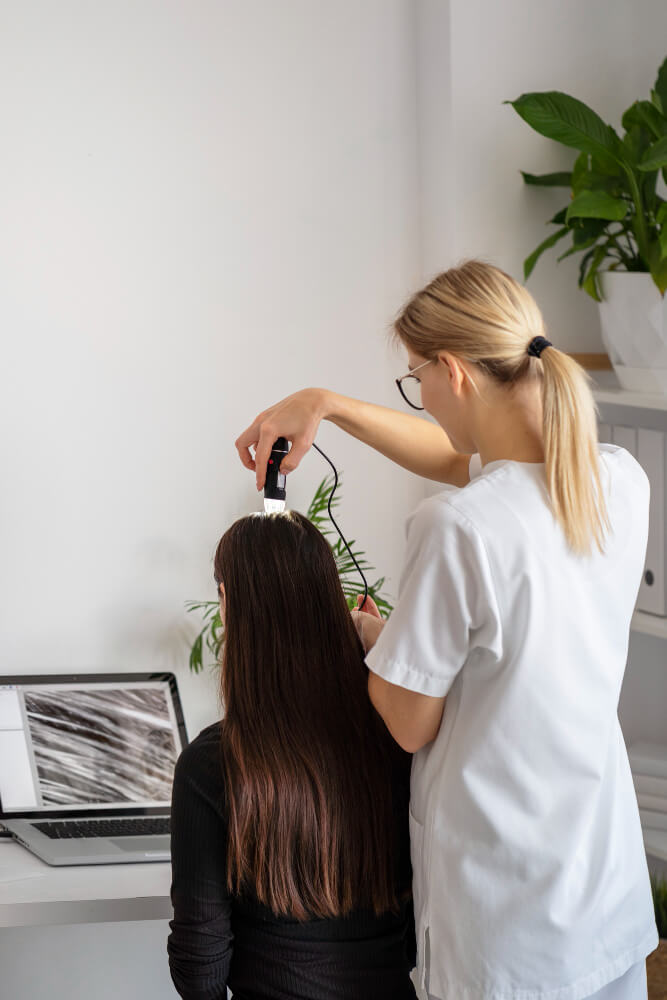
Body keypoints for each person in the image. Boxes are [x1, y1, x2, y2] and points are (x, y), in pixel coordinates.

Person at [235, 260, 659, 1000]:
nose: (420, 397)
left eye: (414, 377)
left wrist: (374, 641)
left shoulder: (457, 527)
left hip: (507, 925)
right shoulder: (614, 479)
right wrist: (325, 405)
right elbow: (470, 477)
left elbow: (405, 724)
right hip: (603, 899)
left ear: (453, 372)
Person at [167, 510, 416, 1000]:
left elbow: (201, 973)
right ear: (332, 604)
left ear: (228, 604)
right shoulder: (397, 741)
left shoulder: (211, 765)